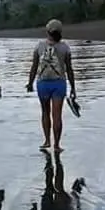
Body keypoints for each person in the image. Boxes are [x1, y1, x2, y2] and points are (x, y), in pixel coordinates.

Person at [26, 18, 76, 152]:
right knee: (57, 115)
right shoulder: (65, 47)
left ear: (47, 31)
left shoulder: (39, 46)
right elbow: (69, 69)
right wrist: (73, 88)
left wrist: (30, 83)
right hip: (59, 84)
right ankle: (57, 145)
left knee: (45, 112)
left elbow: (34, 67)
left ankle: (47, 140)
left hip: (43, 83)